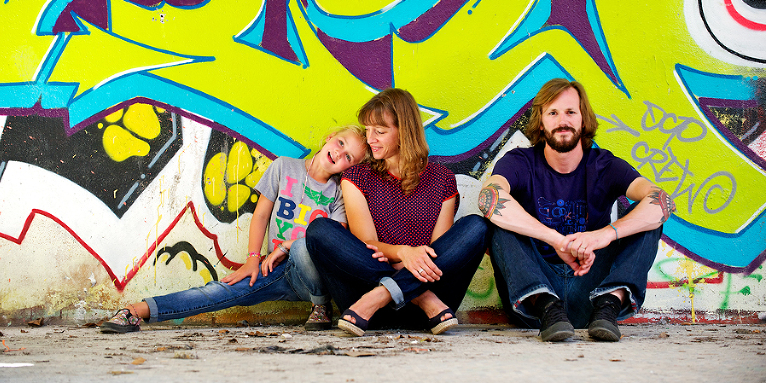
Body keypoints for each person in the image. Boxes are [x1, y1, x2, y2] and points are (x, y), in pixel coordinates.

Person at [100, 126, 370, 333]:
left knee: (303, 245)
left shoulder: (339, 192)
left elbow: (331, 239)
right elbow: (261, 215)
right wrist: (253, 260)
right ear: (330, 137)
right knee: (222, 291)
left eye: (349, 157)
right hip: (274, 271)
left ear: (351, 167)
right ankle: (136, 311)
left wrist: (287, 246)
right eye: (341, 143)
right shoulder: (284, 167)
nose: (339, 153)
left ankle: (320, 305)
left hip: (313, 278)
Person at [479, 78, 675, 342]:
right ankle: (549, 306)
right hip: (536, 302)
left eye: (571, 112)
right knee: (497, 224)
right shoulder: (519, 162)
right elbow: (488, 199)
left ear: (584, 120)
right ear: (540, 121)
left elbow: (662, 201)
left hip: (592, 293)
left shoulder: (605, 165)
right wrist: (555, 239)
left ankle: (609, 306)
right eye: (553, 113)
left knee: (649, 220)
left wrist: (603, 235)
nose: (563, 121)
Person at [305, 88, 490, 337]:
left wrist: (405, 265)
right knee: (320, 230)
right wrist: (405, 253)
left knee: (477, 226)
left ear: (405, 132)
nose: (371, 139)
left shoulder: (442, 179)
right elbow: (366, 245)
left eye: (380, 132)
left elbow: (437, 255)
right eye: (368, 130)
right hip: (377, 301)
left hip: (378, 309)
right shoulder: (357, 177)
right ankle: (421, 298)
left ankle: (385, 294)